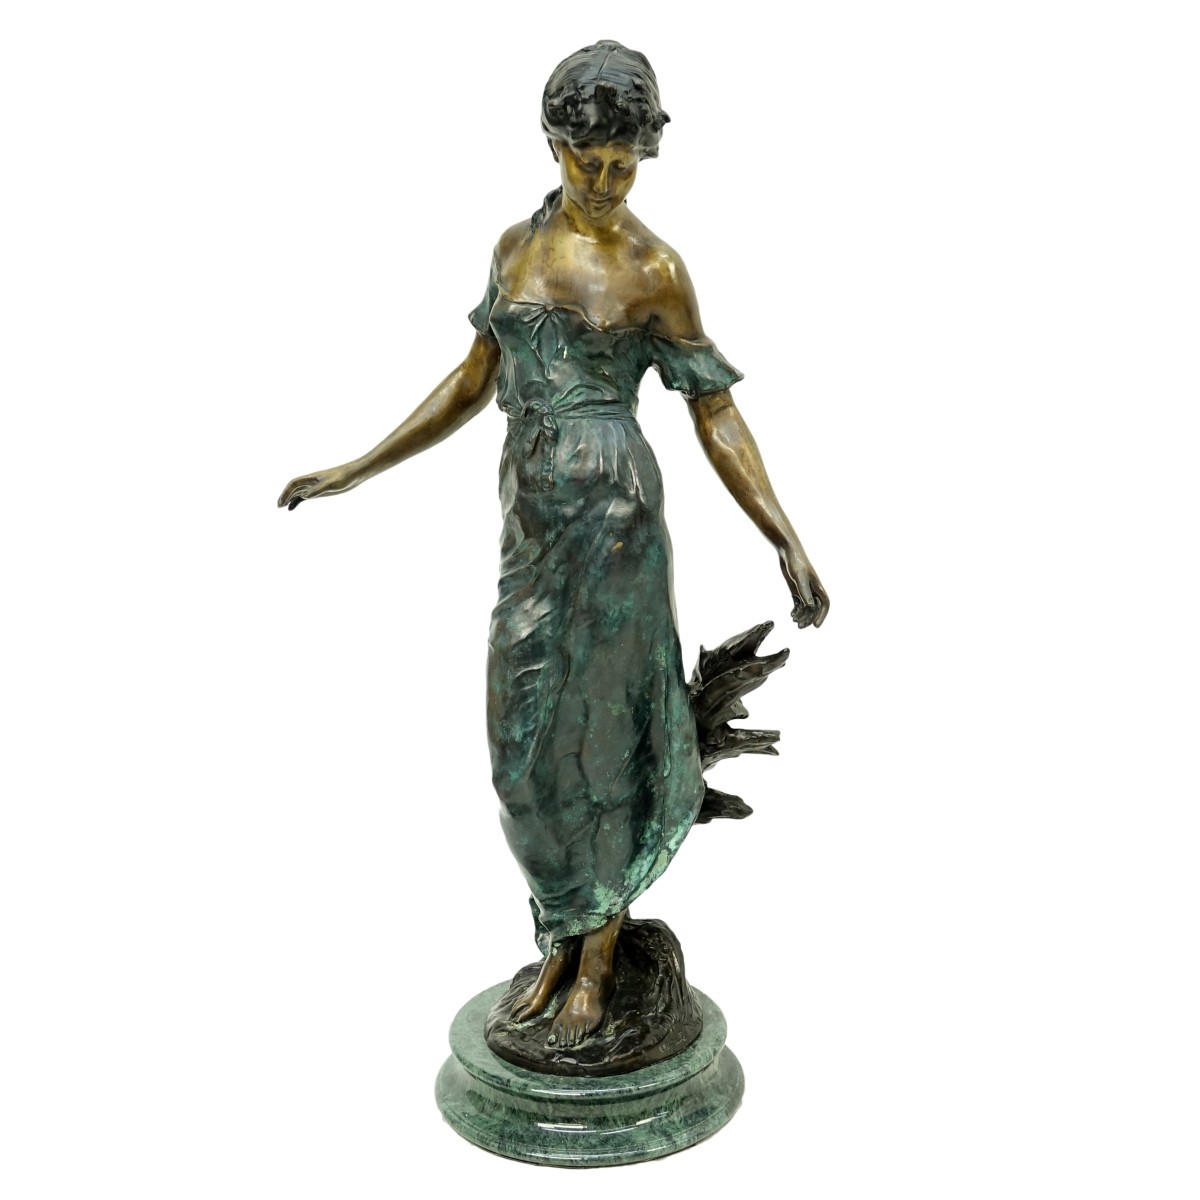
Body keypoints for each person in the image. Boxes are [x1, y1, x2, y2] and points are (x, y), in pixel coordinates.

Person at [278, 40, 828, 1051]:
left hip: (619, 518)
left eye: (624, 163)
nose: (606, 181)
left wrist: (783, 534)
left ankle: (596, 957)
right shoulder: (517, 252)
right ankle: (561, 931)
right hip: (532, 519)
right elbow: (472, 377)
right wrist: (357, 466)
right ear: (552, 144)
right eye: (588, 159)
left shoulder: (657, 271)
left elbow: (715, 412)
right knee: (523, 744)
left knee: (603, 736)